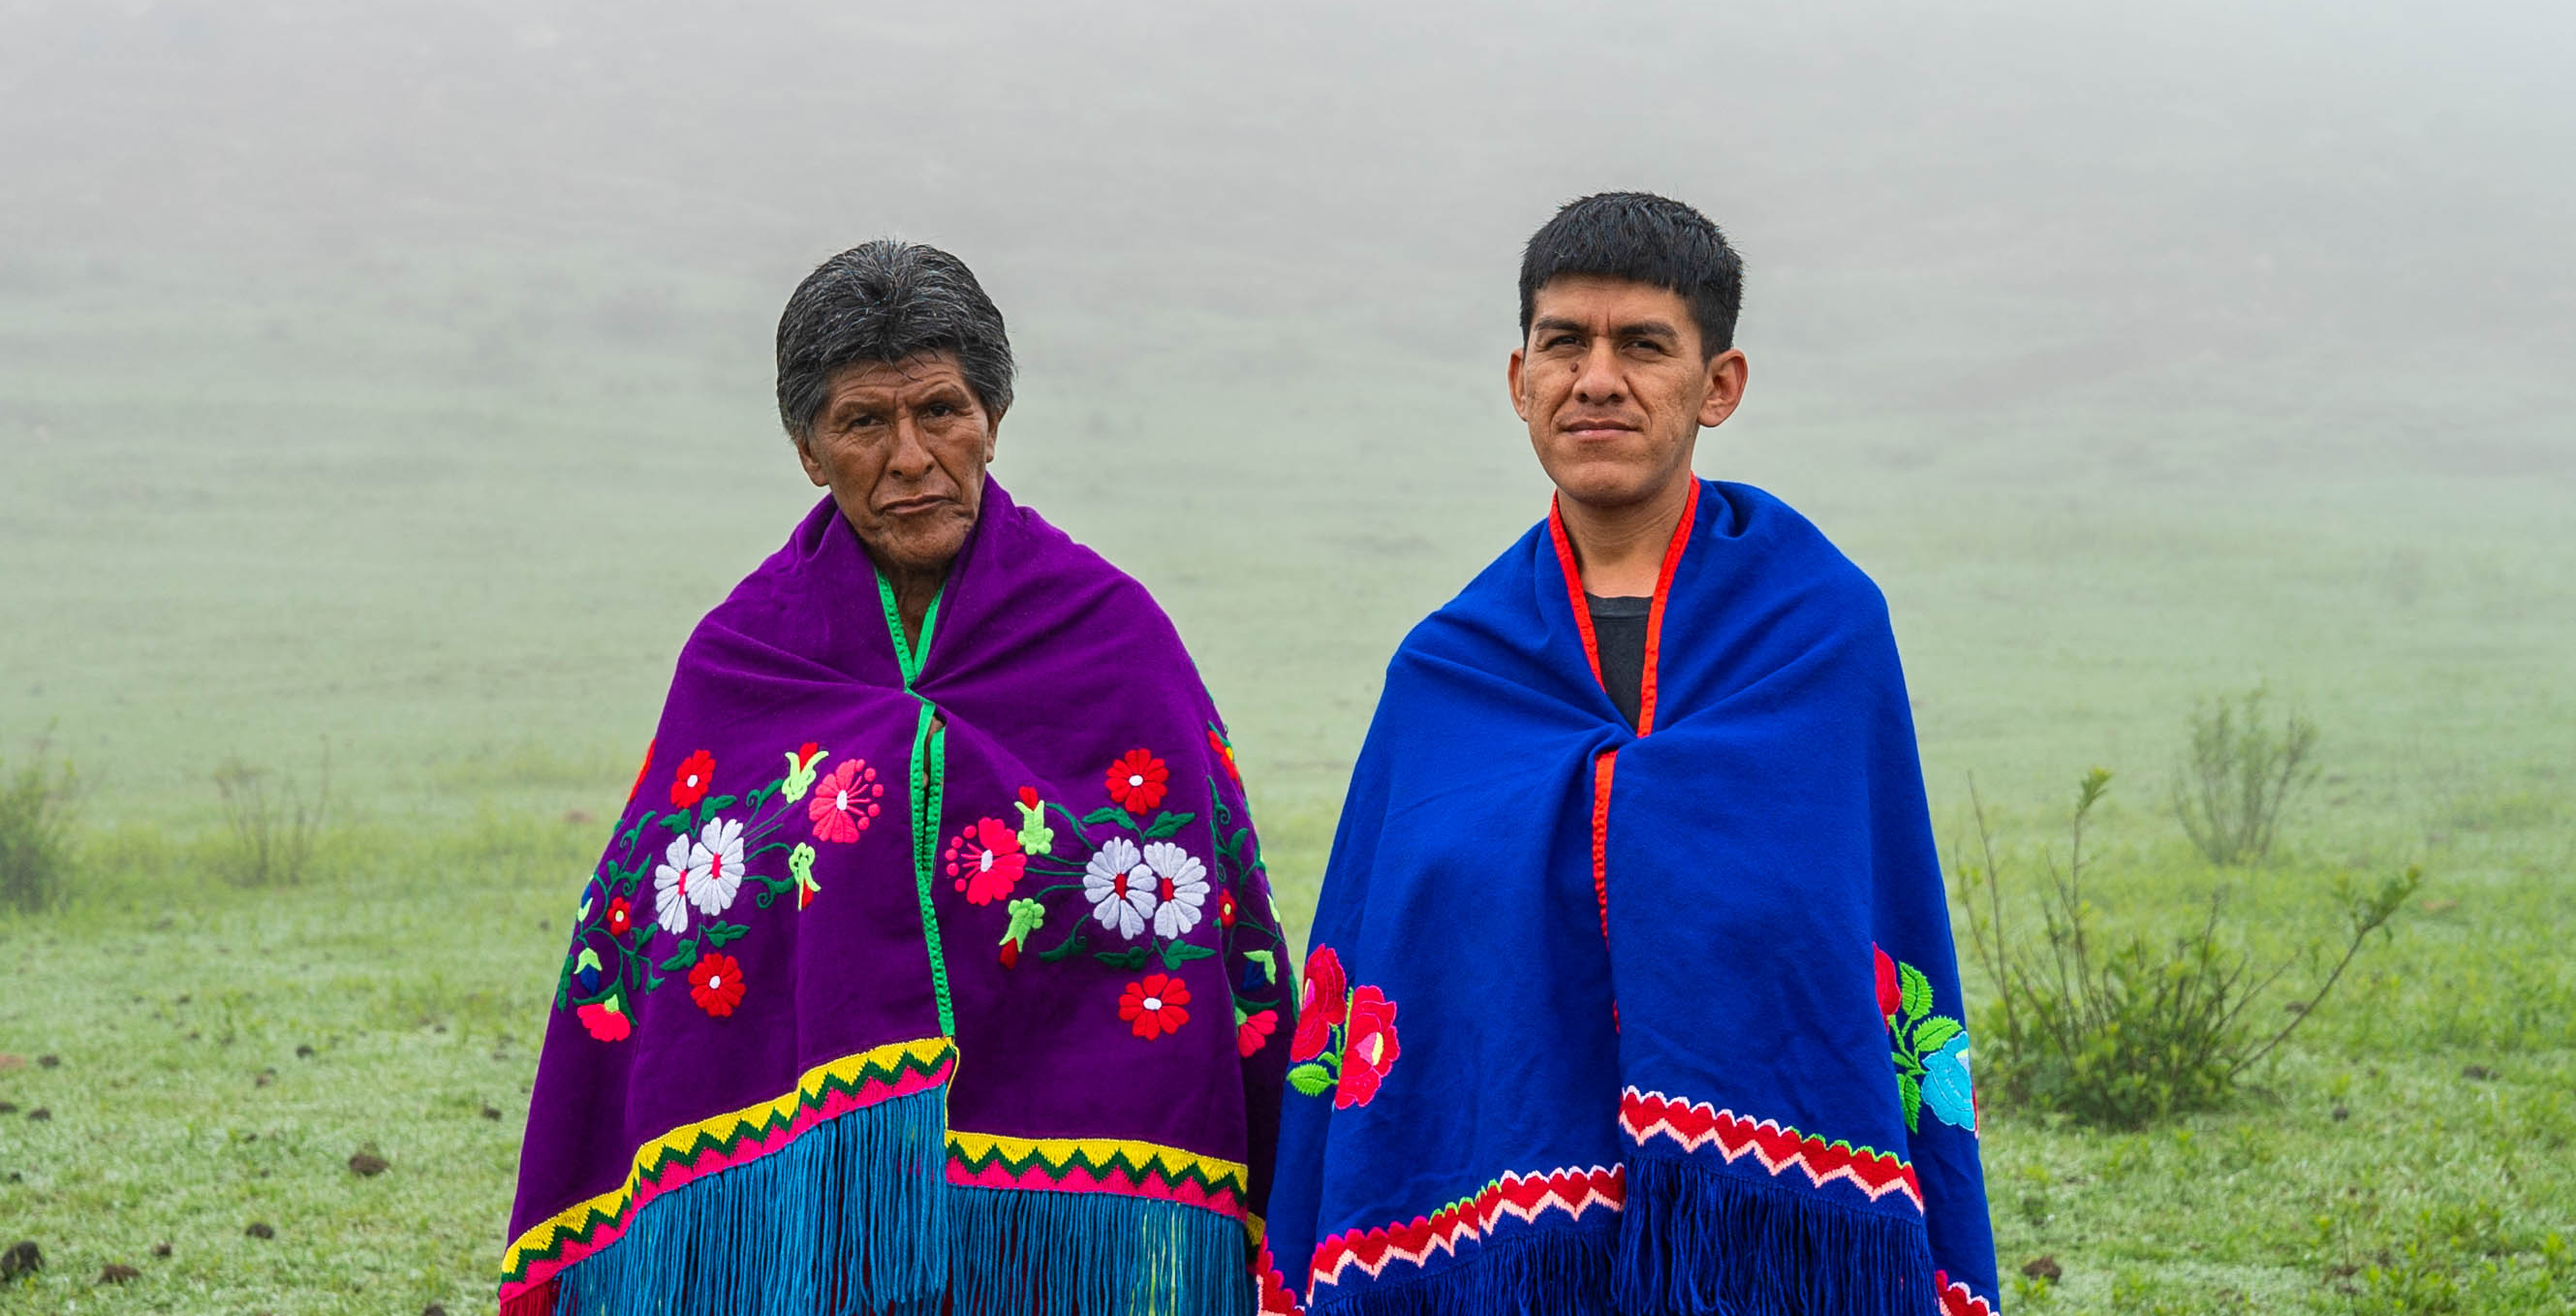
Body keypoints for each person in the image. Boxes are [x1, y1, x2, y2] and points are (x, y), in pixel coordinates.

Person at [501, 241, 1294, 1316]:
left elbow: (1209, 903)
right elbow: (654, 927)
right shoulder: (743, 657)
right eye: (864, 423)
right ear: (806, 450)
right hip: (804, 1216)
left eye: (942, 411)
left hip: (1048, 1236)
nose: (911, 456)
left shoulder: (1110, 635)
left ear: (994, 421)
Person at [1264, 194, 1999, 1316]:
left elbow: (1864, 922)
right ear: (1519, 381)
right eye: (1564, 342)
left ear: (1719, 386)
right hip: (1503, 1255)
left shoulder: (1819, 631)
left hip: (1762, 1249)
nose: (1595, 378)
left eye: (1642, 345)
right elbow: (1393, 952)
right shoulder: (1450, 669)